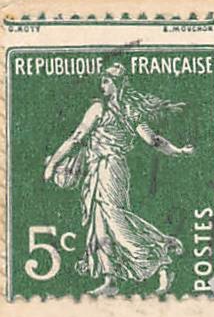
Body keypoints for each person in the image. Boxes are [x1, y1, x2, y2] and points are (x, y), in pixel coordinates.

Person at [41, 63, 195, 297]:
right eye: (102, 81)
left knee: (115, 219)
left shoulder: (106, 109)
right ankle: (110, 279)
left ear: (117, 84)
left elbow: (77, 138)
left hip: (110, 169)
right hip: (96, 169)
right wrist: (179, 151)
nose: (102, 85)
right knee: (99, 223)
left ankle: (162, 253)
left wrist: (53, 163)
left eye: (106, 81)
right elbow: (153, 140)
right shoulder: (123, 110)